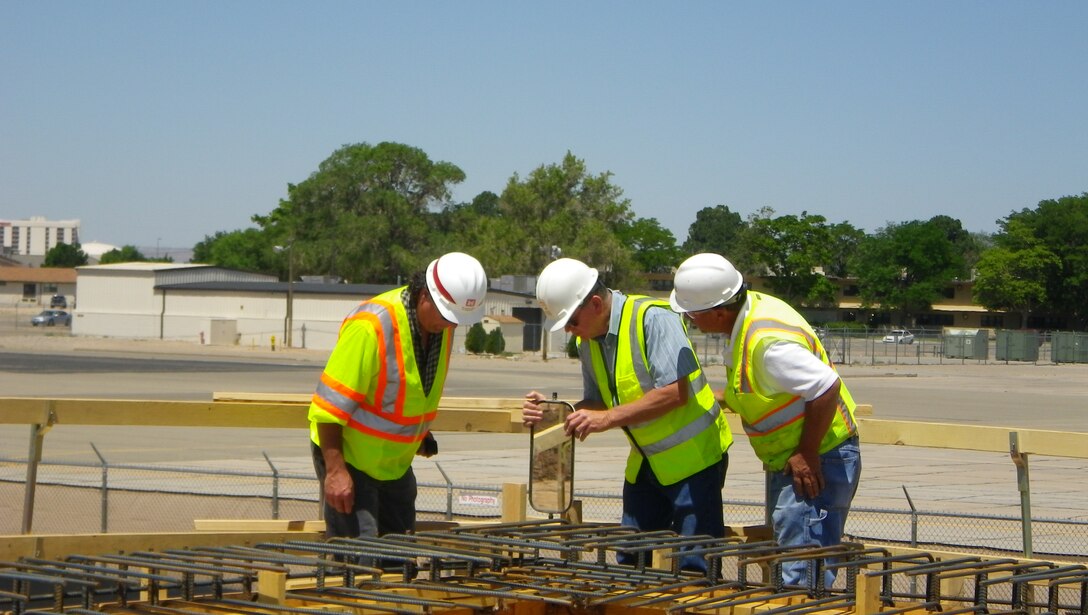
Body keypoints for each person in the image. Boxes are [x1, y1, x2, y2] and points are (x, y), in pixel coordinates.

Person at [523, 257, 733, 573]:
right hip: (648, 463)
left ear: (595, 303)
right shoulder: (588, 342)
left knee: (694, 564)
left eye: (572, 321)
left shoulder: (654, 319)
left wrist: (606, 419)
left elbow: (675, 393)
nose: (569, 330)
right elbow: (597, 402)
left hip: (696, 461)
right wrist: (556, 414)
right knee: (631, 561)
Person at [670, 252, 862, 588]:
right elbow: (765, 387)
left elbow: (825, 387)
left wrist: (807, 452)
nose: (690, 320)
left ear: (718, 312)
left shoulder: (767, 343)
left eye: (692, 313)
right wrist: (720, 397)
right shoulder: (752, 313)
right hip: (798, 460)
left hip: (818, 461)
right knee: (792, 561)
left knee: (802, 573)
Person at [308, 252, 488, 538]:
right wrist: (335, 471)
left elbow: (410, 388)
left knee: (400, 554)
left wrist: (418, 432)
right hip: (350, 460)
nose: (452, 325)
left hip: (395, 463)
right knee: (360, 558)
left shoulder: (442, 326)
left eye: (458, 320)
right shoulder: (371, 325)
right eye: (448, 316)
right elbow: (328, 407)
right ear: (425, 296)